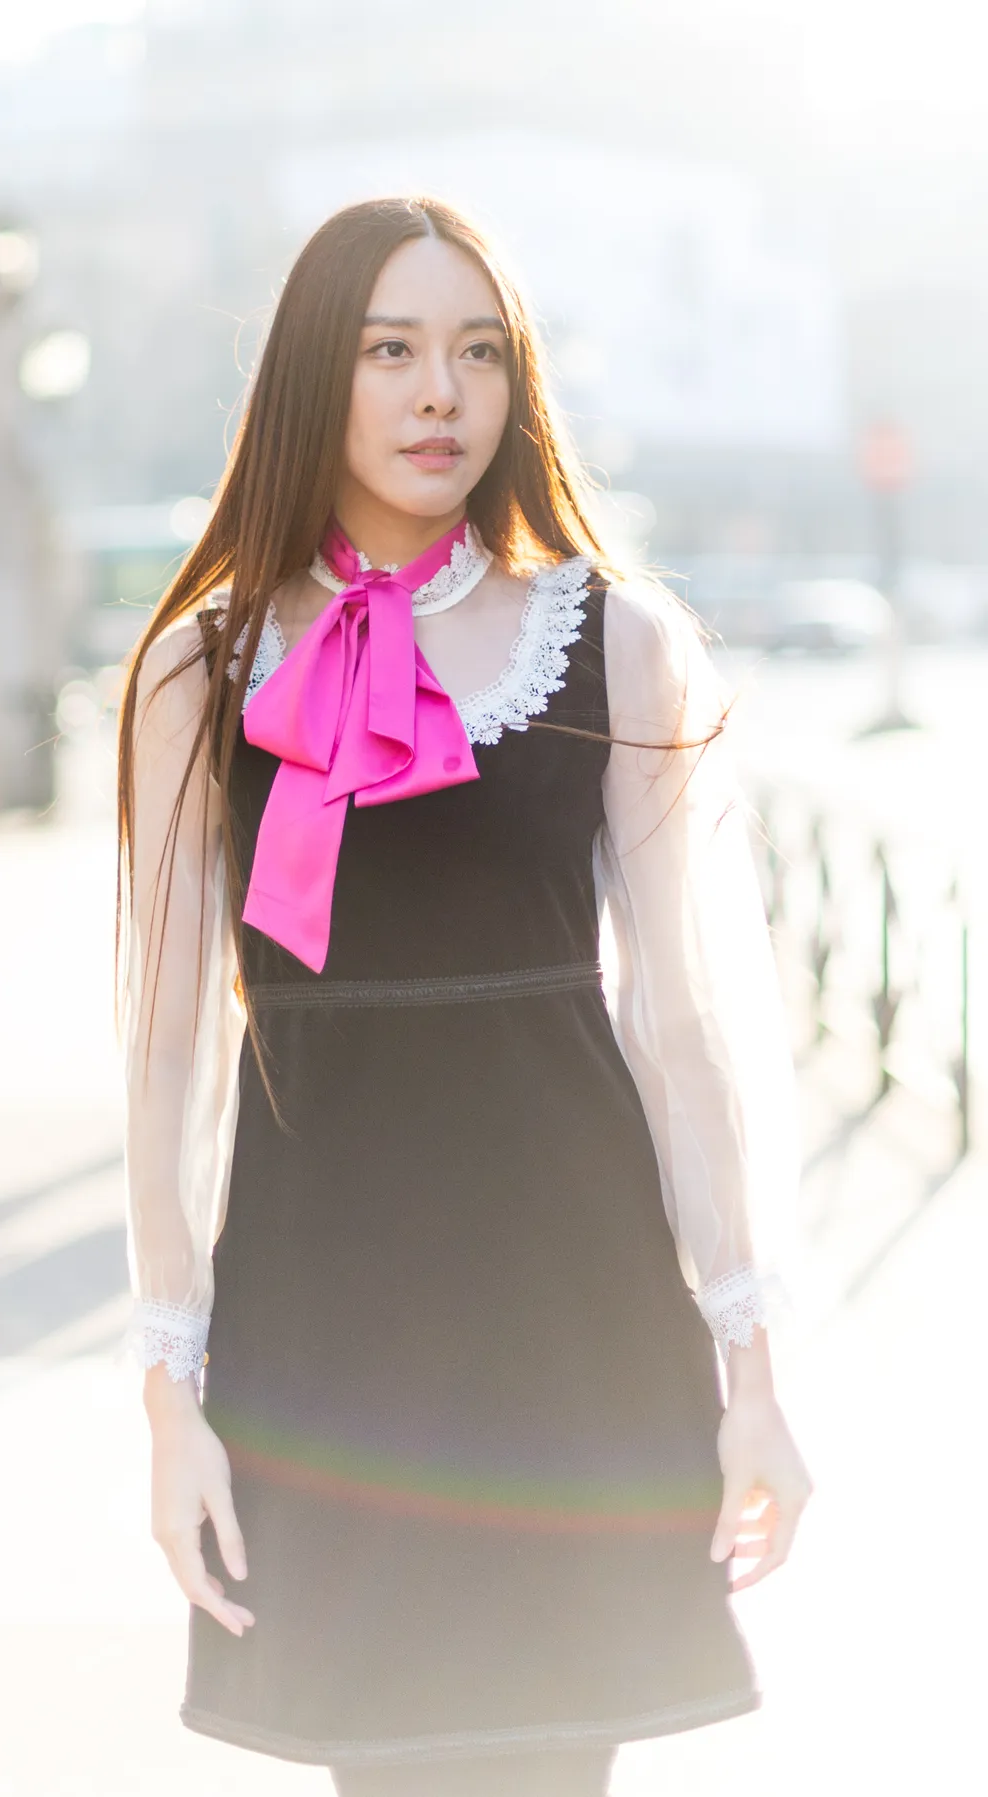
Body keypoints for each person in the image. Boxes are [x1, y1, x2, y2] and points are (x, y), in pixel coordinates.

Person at [116, 195, 813, 1797]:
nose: (442, 393)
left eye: (478, 352)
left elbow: (689, 1028)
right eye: (392, 349)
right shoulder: (201, 670)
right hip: (327, 1319)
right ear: (317, 375)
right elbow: (165, 1056)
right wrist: (172, 1401)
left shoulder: (620, 645)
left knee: (557, 1769)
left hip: (575, 1314)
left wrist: (755, 1374)